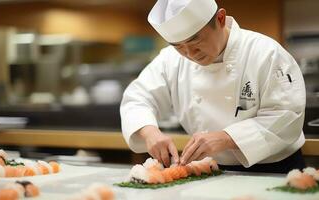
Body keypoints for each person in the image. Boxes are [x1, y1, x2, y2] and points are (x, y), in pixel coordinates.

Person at [120, 0, 306, 173]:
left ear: (220, 19)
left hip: (274, 169)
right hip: (208, 169)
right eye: (179, 46)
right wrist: (150, 132)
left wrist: (227, 138)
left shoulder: (265, 52)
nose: (190, 54)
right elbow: (137, 98)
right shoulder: (171, 59)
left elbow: (287, 114)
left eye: (195, 41)